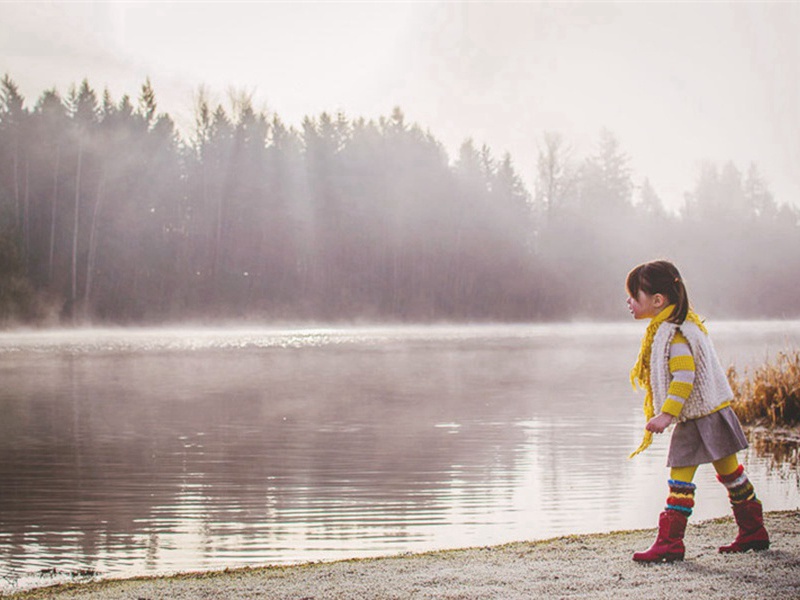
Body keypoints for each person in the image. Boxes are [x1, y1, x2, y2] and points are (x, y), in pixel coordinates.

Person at [625, 259, 769, 563]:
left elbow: (685, 377)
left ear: (657, 300)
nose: (628, 301)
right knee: (731, 474)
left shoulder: (675, 333)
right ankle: (753, 531)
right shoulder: (681, 324)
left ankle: (670, 543)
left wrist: (665, 414)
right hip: (711, 413)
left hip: (699, 419)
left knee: (681, 481)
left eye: (633, 295)